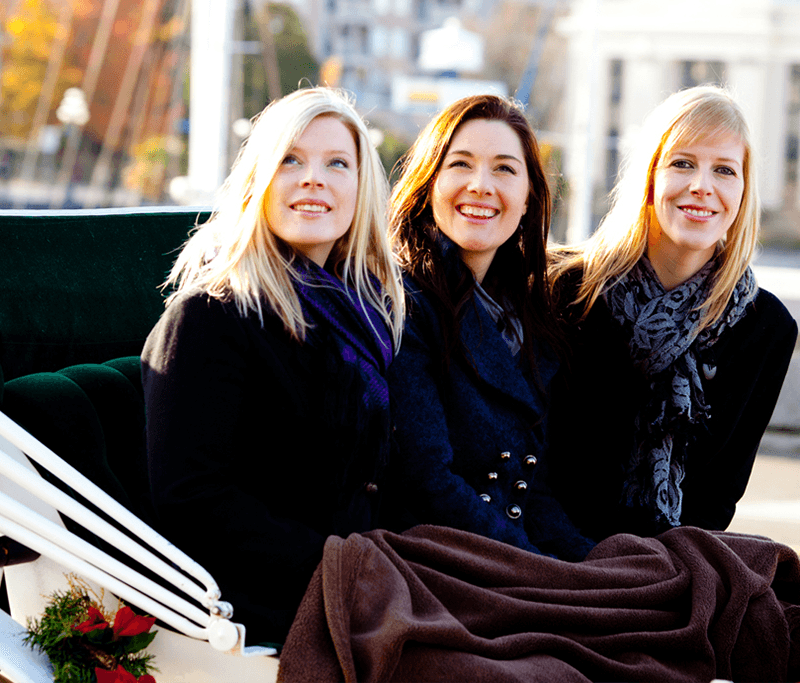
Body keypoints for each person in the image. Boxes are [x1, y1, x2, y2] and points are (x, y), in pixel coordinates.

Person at [142, 87, 404, 645]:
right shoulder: (211, 316)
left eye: (337, 163)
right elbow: (191, 500)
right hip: (265, 605)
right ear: (259, 180)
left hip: (370, 581)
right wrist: (344, 570)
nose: (314, 178)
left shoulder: (366, 317)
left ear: (360, 189)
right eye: (291, 159)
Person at [548, 85, 798, 541]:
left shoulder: (767, 329)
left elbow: (717, 499)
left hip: (664, 569)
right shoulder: (562, 289)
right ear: (649, 176)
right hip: (546, 552)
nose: (702, 186)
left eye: (724, 170)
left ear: (743, 193)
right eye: (683, 163)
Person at [386, 93, 594, 561]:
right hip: (432, 565)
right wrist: (538, 569)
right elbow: (428, 482)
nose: (481, 185)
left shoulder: (532, 313)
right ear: (428, 184)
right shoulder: (401, 299)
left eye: (504, 169)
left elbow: (533, 492)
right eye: (461, 164)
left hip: (504, 558)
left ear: (529, 198)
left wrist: (590, 565)